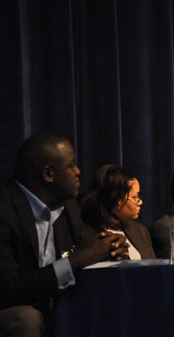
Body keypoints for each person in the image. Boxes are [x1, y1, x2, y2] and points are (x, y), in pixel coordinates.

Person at [0, 132, 129, 337]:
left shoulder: (69, 207)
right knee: (26, 318)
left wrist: (108, 250)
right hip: (14, 311)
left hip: (55, 307)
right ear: (48, 174)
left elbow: (84, 251)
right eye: (71, 165)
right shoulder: (5, 209)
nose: (78, 171)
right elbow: (8, 289)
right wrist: (73, 262)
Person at [80, 165, 155, 260]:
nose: (140, 202)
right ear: (117, 201)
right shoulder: (88, 234)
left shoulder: (140, 231)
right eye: (135, 197)